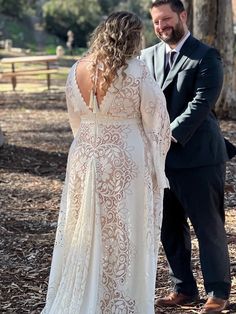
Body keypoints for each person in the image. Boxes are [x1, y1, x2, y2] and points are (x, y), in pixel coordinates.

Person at [41, 11, 171, 314]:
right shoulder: (137, 71)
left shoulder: (76, 70)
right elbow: (158, 120)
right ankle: (118, 301)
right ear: (133, 37)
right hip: (127, 158)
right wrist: (158, 157)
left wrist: (91, 143)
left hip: (85, 156)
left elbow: (76, 118)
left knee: (84, 227)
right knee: (124, 230)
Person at [141, 1, 236, 313]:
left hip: (199, 158)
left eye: (166, 19)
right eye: (156, 22)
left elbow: (201, 103)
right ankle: (183, 289)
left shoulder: (207, 56)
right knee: (169, 228)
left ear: (183, 15)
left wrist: (165, 136)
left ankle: (218, 292)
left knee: (207, 227)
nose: (161, 27)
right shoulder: (147, 57)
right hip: (160, 161)